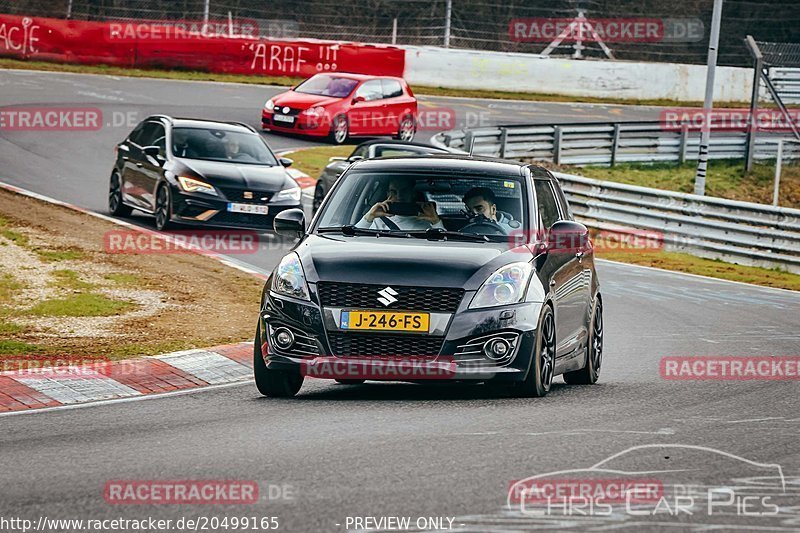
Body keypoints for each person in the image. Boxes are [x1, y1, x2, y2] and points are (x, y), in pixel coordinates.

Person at [356, 177, 444, 231]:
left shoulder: (427, 222)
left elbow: (443, 248)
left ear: (413, 193)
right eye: (393, 192)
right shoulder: (376, 220)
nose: (399, 196)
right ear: (388, 194)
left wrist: (436, 222)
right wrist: (369, 216)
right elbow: (353, 240)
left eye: (404, 191)